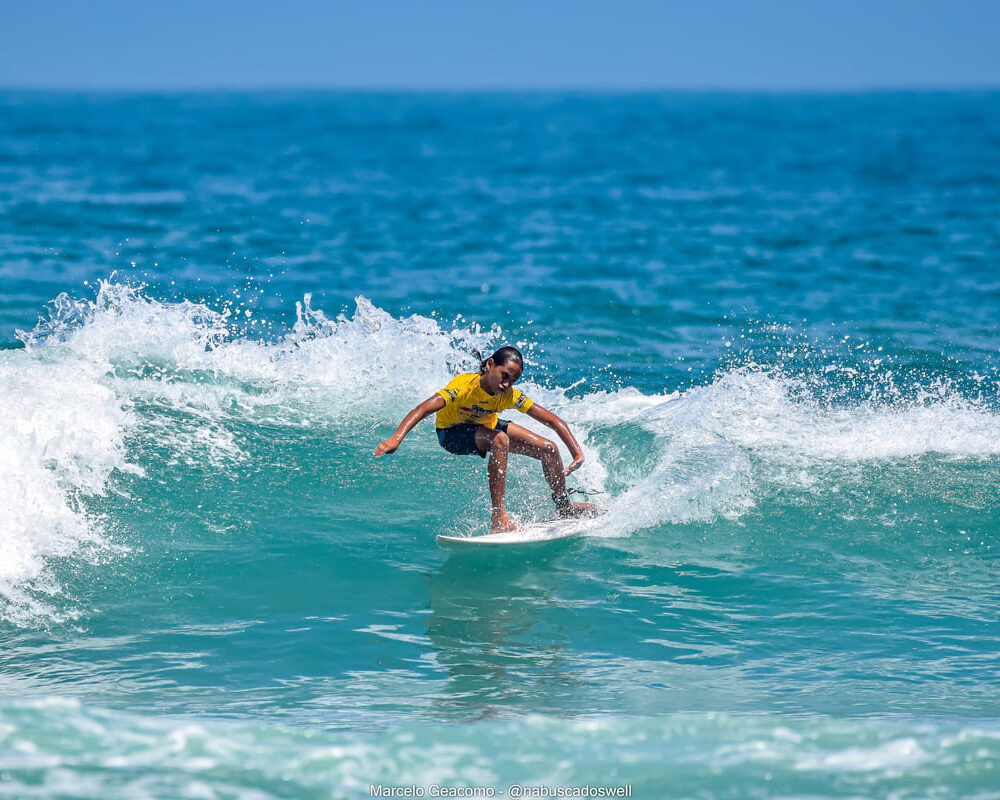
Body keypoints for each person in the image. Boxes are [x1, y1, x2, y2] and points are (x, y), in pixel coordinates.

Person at [373, 346, 598, 532]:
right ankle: (499, 518)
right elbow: (423, 408)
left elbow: (553, 421)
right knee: (500, 440)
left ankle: (563, 506)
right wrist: (396, 439)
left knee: (548, 448)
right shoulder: (462, 387)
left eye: (513, 380)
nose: (507, 384)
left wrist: (577, 452)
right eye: (505, 376)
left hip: (483, 426)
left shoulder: (508, 395)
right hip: (451, 433)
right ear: (490, 365)